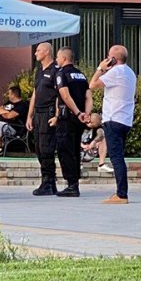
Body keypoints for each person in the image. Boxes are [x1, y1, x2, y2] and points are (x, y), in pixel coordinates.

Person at [90, 44, 137, 204]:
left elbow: (92, 85)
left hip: (113, 119)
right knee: (119, 156)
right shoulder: (130, 72)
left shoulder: (116, 72)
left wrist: (100, 68)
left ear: (113, 59)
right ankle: (120, 192)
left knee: (116, 158)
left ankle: (121, 194)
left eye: (108, 57)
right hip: (125, 120)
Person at [54, 46, 92, 198]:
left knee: (66, 150)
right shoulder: (81, 75)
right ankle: (74, 182)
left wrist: (76, 112)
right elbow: (88, 96)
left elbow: (65, 95)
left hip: (68, 117)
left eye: (57, 57)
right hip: (80, 119)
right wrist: (86, 114)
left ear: (64, 58)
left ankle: (71, 185)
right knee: (76, 149)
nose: (56, 60)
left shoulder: (61, 73)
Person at [26, 42, 58, 196]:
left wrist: (57, 115)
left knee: (46, 148)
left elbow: (61, 95)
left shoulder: (55, 71)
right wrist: (29, 115)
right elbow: (35, 94)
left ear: (46, 52)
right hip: (38, 113)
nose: (35, 53)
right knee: (38, 147)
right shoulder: (39, 71)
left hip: (48, 112)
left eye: (38, 50)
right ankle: (47, 180)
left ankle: (49, 181)